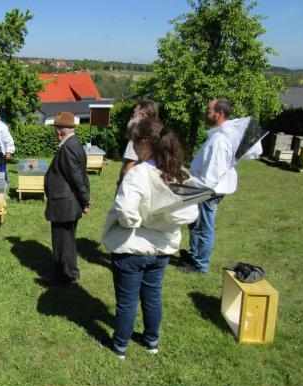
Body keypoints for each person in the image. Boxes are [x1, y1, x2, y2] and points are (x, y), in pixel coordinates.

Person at [101, 118, 199, 359]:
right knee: (152, 295)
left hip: (131, 248)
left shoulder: (139, 174)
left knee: (127, 301)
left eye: (134, 142)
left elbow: (125, 211)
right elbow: (190, 213)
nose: (132, 146)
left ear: (145, 142)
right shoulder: (180, 174)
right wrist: (159, 221)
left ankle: (120, 346)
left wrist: (137, 222)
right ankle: (151, 341)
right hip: (161, 250)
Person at [179, 98, 235, 275]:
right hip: (203, 188)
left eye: (209, 110)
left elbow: (212, 172)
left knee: (204, 226)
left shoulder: (220, 140)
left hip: (209, 190)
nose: (206, 113)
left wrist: (197, 188)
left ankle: (200, 265)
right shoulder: (218, 136)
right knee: (195, 223)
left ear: (220, 114)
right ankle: (194, 255)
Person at [39, 111, 91, 286]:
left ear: (59, 132)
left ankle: (64, 276)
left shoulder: (67, 147)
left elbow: (76, 177)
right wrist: (85, 199)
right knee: (67, 240)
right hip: (69, 203)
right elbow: (82, 175)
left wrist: (85, 200)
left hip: (64, 204)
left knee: (62, 242)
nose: (54, 133)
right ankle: (71, 272)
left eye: (55, 130)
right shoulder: (75, 143)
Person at [118, 100, 160, 185]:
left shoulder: (137, 139)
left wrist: (121, 185)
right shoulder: (156, 136)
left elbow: (128, 169)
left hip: (132, 187)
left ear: (142, 115)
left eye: (134, 113)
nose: (132, 116)